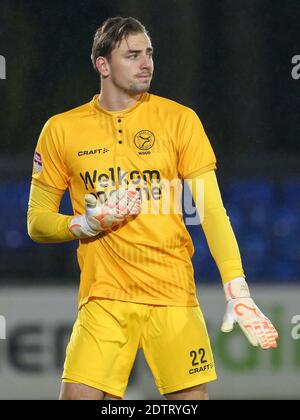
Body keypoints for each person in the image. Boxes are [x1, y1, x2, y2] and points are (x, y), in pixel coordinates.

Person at [27, 16, 278, 401]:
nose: (146, 63)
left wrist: (237, 290)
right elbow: (37, 222)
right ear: (103, 65)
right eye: (132, 55)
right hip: (104, 298)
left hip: (174, 296)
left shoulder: (180, 120)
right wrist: (85, 224)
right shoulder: (61, 130)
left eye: (149, 54)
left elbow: (212, 211)